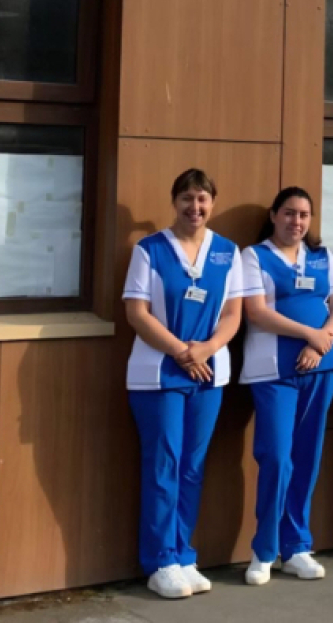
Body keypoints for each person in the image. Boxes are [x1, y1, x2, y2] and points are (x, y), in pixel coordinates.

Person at [122, 169, 245, 599]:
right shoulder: (150, 250)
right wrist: (181, 351)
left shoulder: (227, 252)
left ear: (212, 203)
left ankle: (182, 553)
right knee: (165, 466)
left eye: (202, 199)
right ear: (174, 202)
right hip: (160, 374)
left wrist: (206, 349)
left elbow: (233, 313)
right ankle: (160, 561)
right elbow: (136, 312)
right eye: (187, 199)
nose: (195, 207)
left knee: (192, 467)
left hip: (209, 373)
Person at [240, 187, 333, 585]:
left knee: (307, 456)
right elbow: (256, 312)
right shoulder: (255, 256)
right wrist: (310, 334)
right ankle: (264, 549)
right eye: (289, 213)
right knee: (276, 457)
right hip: (273, 372)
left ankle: (296, 546)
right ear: (274, 215)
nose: (296, 221)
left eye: (303, 215)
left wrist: (323, 342)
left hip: (321, 367)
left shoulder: (322, 256)